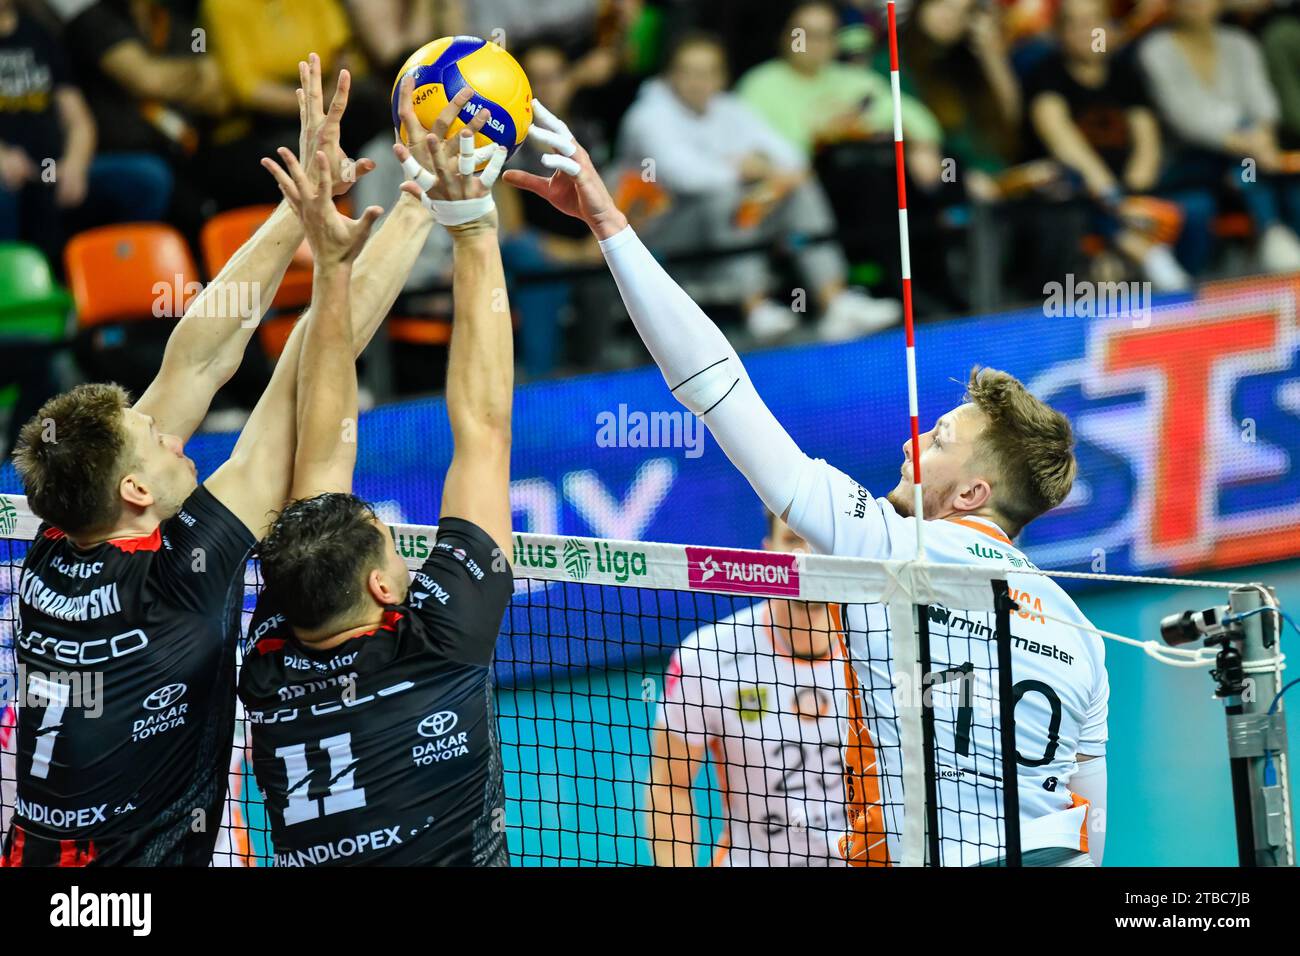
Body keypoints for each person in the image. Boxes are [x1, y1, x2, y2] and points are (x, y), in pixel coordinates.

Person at [505, 111, 1109, 868]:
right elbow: (1090, 837)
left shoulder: (893, 550)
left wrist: (610, 225)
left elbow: (716, 387)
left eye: (940, 441)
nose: (912, 441)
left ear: (971, 494)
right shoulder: (1083, 634)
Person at [1, 55, 381, 867]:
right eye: (156, 440)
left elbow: (197, 365)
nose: (173, 432)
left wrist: (301, 203)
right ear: (135, 490)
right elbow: (293, 392)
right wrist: (339, 257)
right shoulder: (182, 577)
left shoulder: (57, 540)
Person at [237, 93, 516, 866]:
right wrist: (478, 223)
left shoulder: (269, 661)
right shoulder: (435, 646)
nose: (402, 551)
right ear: (385, 589)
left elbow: (328, 447)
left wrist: (341, 269)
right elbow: (482, 431)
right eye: (392, 546)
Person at [617, 31, 900, 344]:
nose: (700, 81)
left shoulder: (729, 108)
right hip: (660, 233)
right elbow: (686, 177)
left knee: (798, 189)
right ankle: (755, 307)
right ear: (672, 75)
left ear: (721, 76)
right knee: (723, 197)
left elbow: (791, 156)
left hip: (730, 222)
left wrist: (771, 172)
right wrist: (743, 170)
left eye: (709, 72)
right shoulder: (646, 116)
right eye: (690, 72)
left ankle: (835, 302)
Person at [646, 511, 852, 866]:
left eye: (822, 543)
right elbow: (670, 785)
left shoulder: (887, 652)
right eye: (793, 541)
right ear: (768, 552)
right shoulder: (706, 657)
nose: (808, 557)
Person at [1025, 0, 1202, 286]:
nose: (1088, 31)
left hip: (1132, 188)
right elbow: (1059, 137)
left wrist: (1136, 185)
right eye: (1076, 23)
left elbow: (1146, 135)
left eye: (1095, 21)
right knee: (1071, 185)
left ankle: (1185, 284)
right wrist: (1110, 193)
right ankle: (1146, 256)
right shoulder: (1046, 74)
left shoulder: (1124, 74)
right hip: (1083, 190)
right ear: (1060, 32)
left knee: (1196, 206)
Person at [1139, 0, 1300, 271]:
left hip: (1250, 153)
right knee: (1243, 166)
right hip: (1188, 163)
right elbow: (1187, 120)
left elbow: (1264, 105)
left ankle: (1281, 243)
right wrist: (1250, 143)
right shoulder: (1156, 50)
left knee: (1287, 178)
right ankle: (1270, 230)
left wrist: (1262, 138)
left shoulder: (1240, 44)